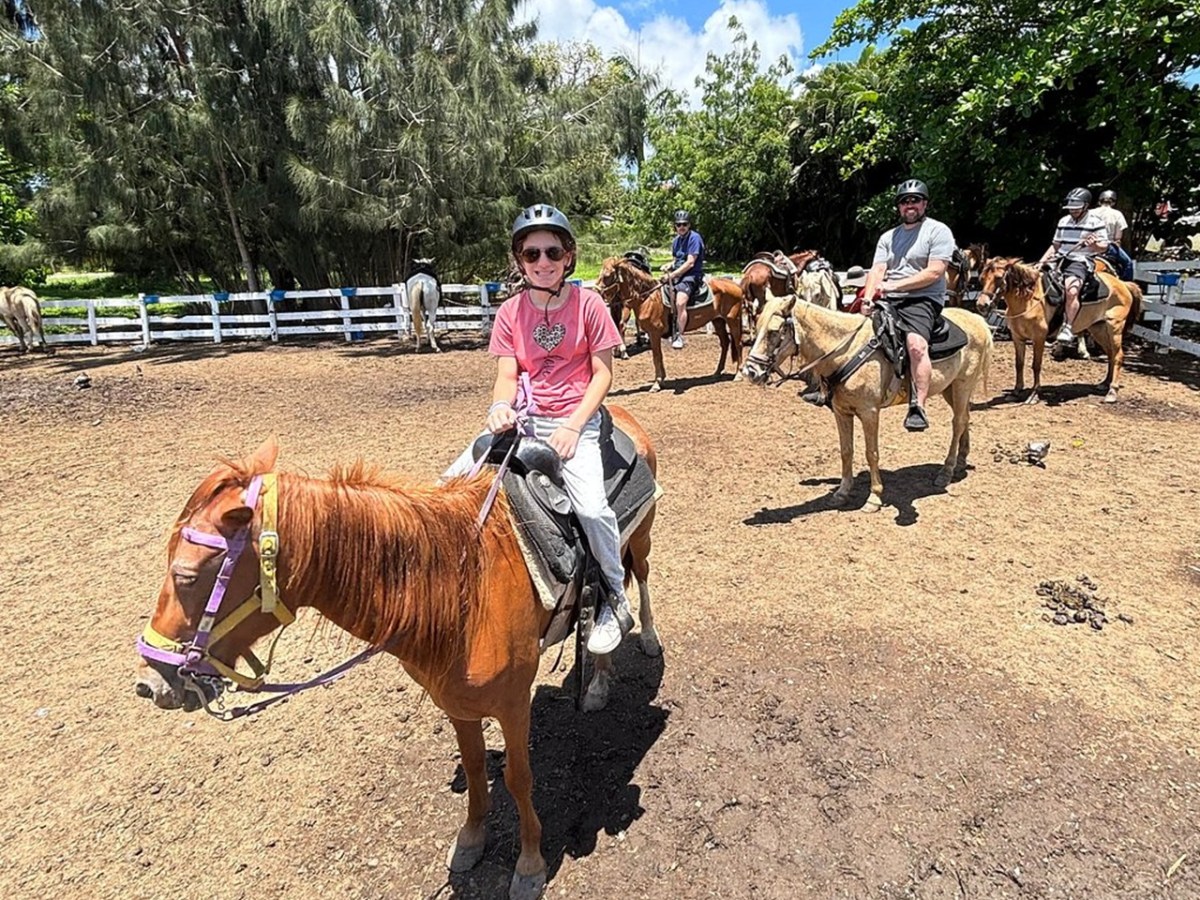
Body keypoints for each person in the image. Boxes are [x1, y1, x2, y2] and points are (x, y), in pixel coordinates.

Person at [442, 204, 633, 654]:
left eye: (552, 252)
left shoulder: (590, 305)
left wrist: (573, 425)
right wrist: (499, 406)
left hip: (577, 423)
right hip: (526, 420)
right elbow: (508, 373)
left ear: (569, 257)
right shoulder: (510, 312)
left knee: (591, 509)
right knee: (448, 485)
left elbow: (603, 374)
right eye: (532, 254)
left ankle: (615, 597)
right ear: (519, 260)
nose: (542, 263)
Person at [860, 179, 957, 432]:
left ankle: (918, 406)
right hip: (889, 299)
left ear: (924, 204)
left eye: (915, 200)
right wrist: (867, 299)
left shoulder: (938, 231)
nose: (909, 205)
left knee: (915, 345)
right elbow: (878, 269)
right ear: (899, 208)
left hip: (923, 299)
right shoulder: (888, 237)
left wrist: (894, 286)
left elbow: (934, 272)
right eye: (905, 202)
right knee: (854, 333)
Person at [1037, 187, 1108, 344]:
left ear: (1085, 206)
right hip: (1060, 258)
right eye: (1071, 208)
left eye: (1076, 209)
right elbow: (1055, 245)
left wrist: (1094, 244)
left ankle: (1068, 327)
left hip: (1080, 260)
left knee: (1071, 289)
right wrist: (1042, 261)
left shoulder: (1096, 223)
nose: (1073, 211)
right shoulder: (1063, 221)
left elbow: (1104, 247)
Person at [660, 209, 705, 349]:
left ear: (689, 225)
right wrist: (669, 265)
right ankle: (669, 329)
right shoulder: (676, 241)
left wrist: (673, 275)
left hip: (691, 275)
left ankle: (679, 335)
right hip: (678, 274)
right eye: (679, 225)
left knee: (680, 302)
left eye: (684, 224)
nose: (681, 227)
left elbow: (690, 262)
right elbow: (677, 260)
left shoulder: (694, 238)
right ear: (675, 226)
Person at [1094, 189, 1134, 280]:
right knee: (1128, 263)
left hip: (1090, 246)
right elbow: (1117, 238)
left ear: (1100, 201)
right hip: (1108, 247)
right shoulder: (1117, 214)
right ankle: (1127, 286)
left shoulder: (1090, 213)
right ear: (1113, 202)